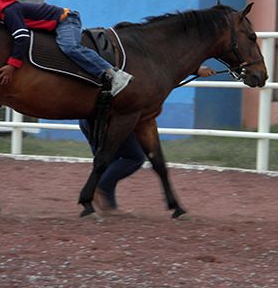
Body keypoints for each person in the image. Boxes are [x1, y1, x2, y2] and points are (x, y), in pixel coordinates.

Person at [82, 66, 217, 212]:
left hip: (94, 119)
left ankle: (108, 205)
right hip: (112, 119)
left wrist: (195, 71)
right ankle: (99, 188)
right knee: (133, 157)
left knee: (113, 160)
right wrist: (195, 70)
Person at [0, 0, 133, 96]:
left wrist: (12, 65)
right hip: (51, 26)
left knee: (69, 46)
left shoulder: (9, 11)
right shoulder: (0, 15)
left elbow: (22, 37)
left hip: (65, 20)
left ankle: (113, 74)